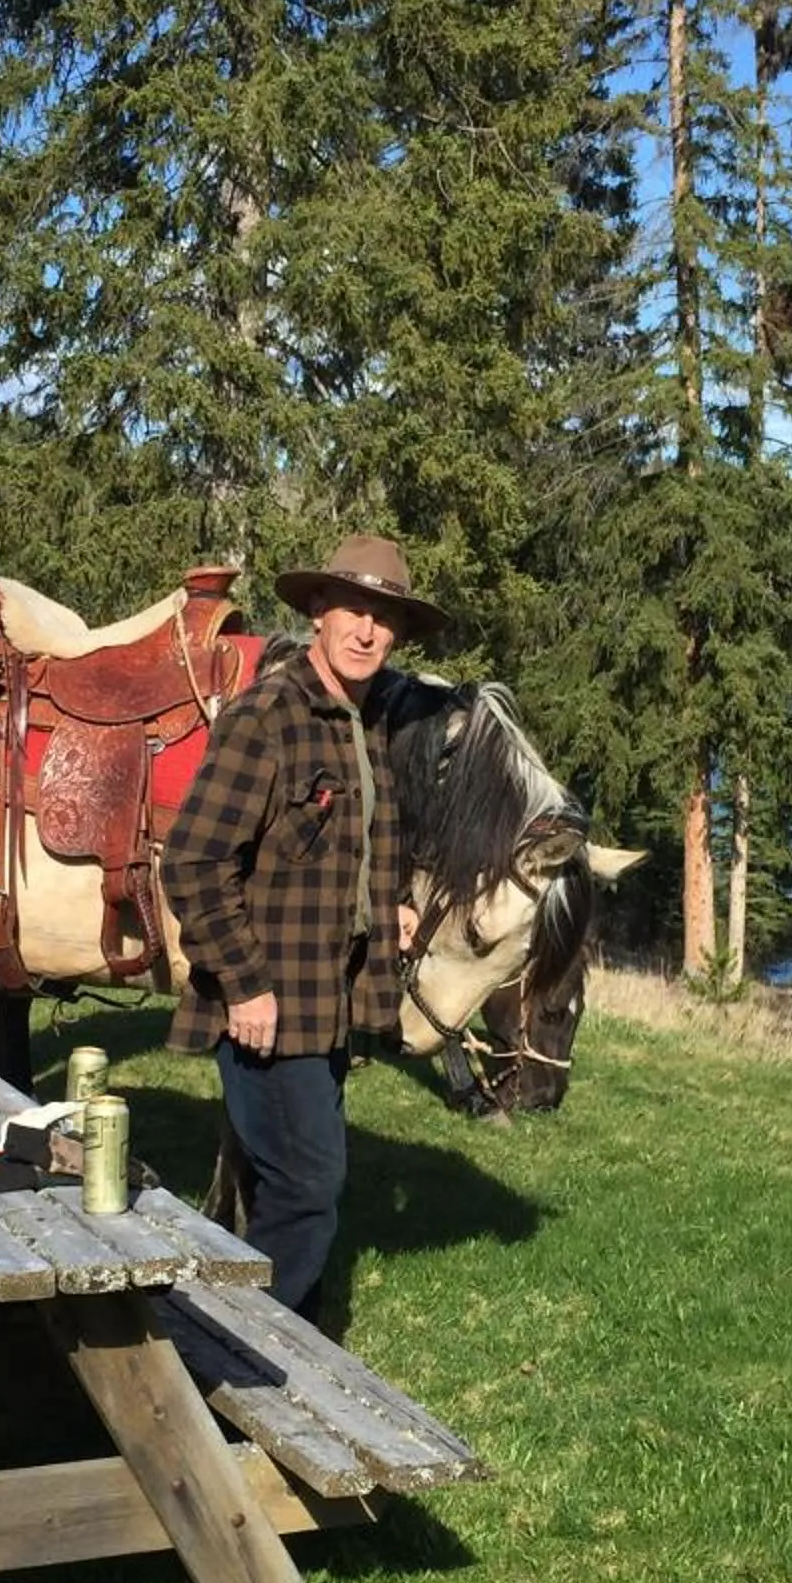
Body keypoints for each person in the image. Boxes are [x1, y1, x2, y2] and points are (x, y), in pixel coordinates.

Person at [156, 532, 450, 1321]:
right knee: (309, 1191)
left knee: (287, 1188)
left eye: (383, 619)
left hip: (327, 1005)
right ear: (318, 611)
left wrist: (384, 904)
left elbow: (335, 849)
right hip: (269, 1008)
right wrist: (244, 984)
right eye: (352, 608)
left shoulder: (366, 725)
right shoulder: (269, 716)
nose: (366, 630)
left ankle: (291, 1372)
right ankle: (217, 1370)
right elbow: (192, 861)